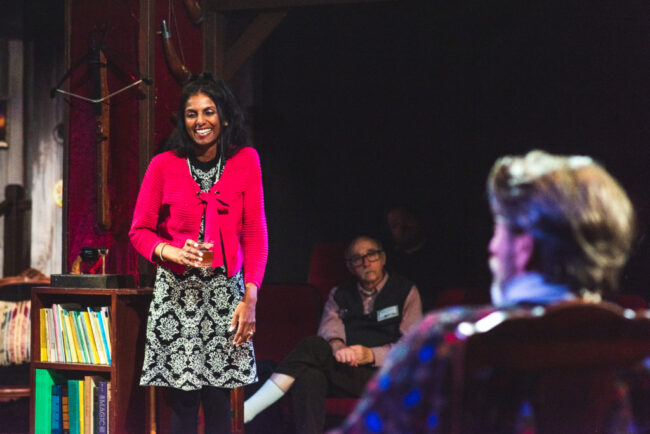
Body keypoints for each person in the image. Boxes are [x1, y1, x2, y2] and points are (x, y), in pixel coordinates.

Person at [334, 150, 638, 433]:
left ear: (523, 247)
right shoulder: (640, 350)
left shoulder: (446, 340)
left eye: (500, 231)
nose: (492, 247)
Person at [129, 73, 268, 434]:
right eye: (191, 114)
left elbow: (255, 234)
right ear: (183, 119)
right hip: (177, 297)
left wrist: (250, 295)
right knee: (182, 405)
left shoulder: (246, 161)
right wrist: (170, 252)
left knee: (220, 402)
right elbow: (139, 231)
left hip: (226, 295)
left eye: (208, 112)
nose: (200, 121)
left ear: (224, 116)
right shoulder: (163, 165)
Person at [243, 235, 422, 434]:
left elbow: (412, 348)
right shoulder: (340, 293)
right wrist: (337, 345)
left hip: (385, 376)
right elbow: (329, 329)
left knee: (312, 351)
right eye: (357, 258)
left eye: (371, 255)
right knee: (310, 374)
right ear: (350, 266)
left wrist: (371, 354)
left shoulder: (406, 291)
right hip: (347, 371)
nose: (366, 262)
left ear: (383, 258)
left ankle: (252, 408)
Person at [385, 204, 446, 311]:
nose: (402, 227)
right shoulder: (387, 262)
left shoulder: (440, 255)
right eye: (395, 225)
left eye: (407, 220)